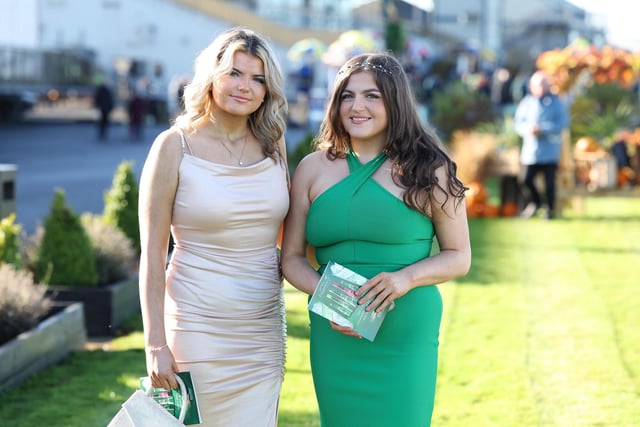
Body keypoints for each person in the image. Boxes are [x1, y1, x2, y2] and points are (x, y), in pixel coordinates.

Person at [281, 53, 471, 426]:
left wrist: (405, 279)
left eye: (372, 96)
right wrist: (333, 301)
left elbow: (458, 256)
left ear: (395, 101)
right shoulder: (311, 168)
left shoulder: (430, 168)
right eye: (347, 96)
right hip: (334, 329)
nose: (357, 107)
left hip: (404, 328)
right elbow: (291, 258)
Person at [138, 27, 289, 426]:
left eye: (258, 79)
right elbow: (153, 255)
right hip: (195, 323)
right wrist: (155, 343)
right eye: (234, 73)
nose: (246, 87)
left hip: (261, 330)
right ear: (210, 77)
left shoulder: (274, 143)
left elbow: (287, 238)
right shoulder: (173, 146)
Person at [514, 70, 569, 219]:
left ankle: (549, 209)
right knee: (526, 180)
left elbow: (563, 123)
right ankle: (535, 203)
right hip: (531, 151)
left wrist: (543, 129)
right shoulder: (527, 102)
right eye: (538, 85)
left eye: (544, 84)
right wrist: (528, 129)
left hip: (550, 151)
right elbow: (518, 124)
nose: (541, 88)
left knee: (550, 183)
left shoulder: (556, 102)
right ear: (532, 87)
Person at [93, 76, 114, 141]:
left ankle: (103, 134)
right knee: (102, 122)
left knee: (105, 122)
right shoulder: (102, 90)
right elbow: (98, 99)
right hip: (102, 108)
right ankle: (102, 134)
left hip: (106, 108)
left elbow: (110, 100)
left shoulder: (108, 90)